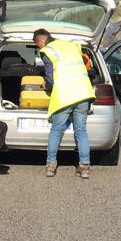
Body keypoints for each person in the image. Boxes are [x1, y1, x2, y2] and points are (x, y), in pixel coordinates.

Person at [34, 27, 96, 179]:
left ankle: (51, 166)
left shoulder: (47, 51)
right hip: (83, 93)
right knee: (81, 130)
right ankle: (84, 167)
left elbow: (50, 78)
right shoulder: (71, 45)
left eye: (37, 45)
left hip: (65, 95)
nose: (39, 48)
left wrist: (45, 87)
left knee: (56, 130)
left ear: (40, 41)